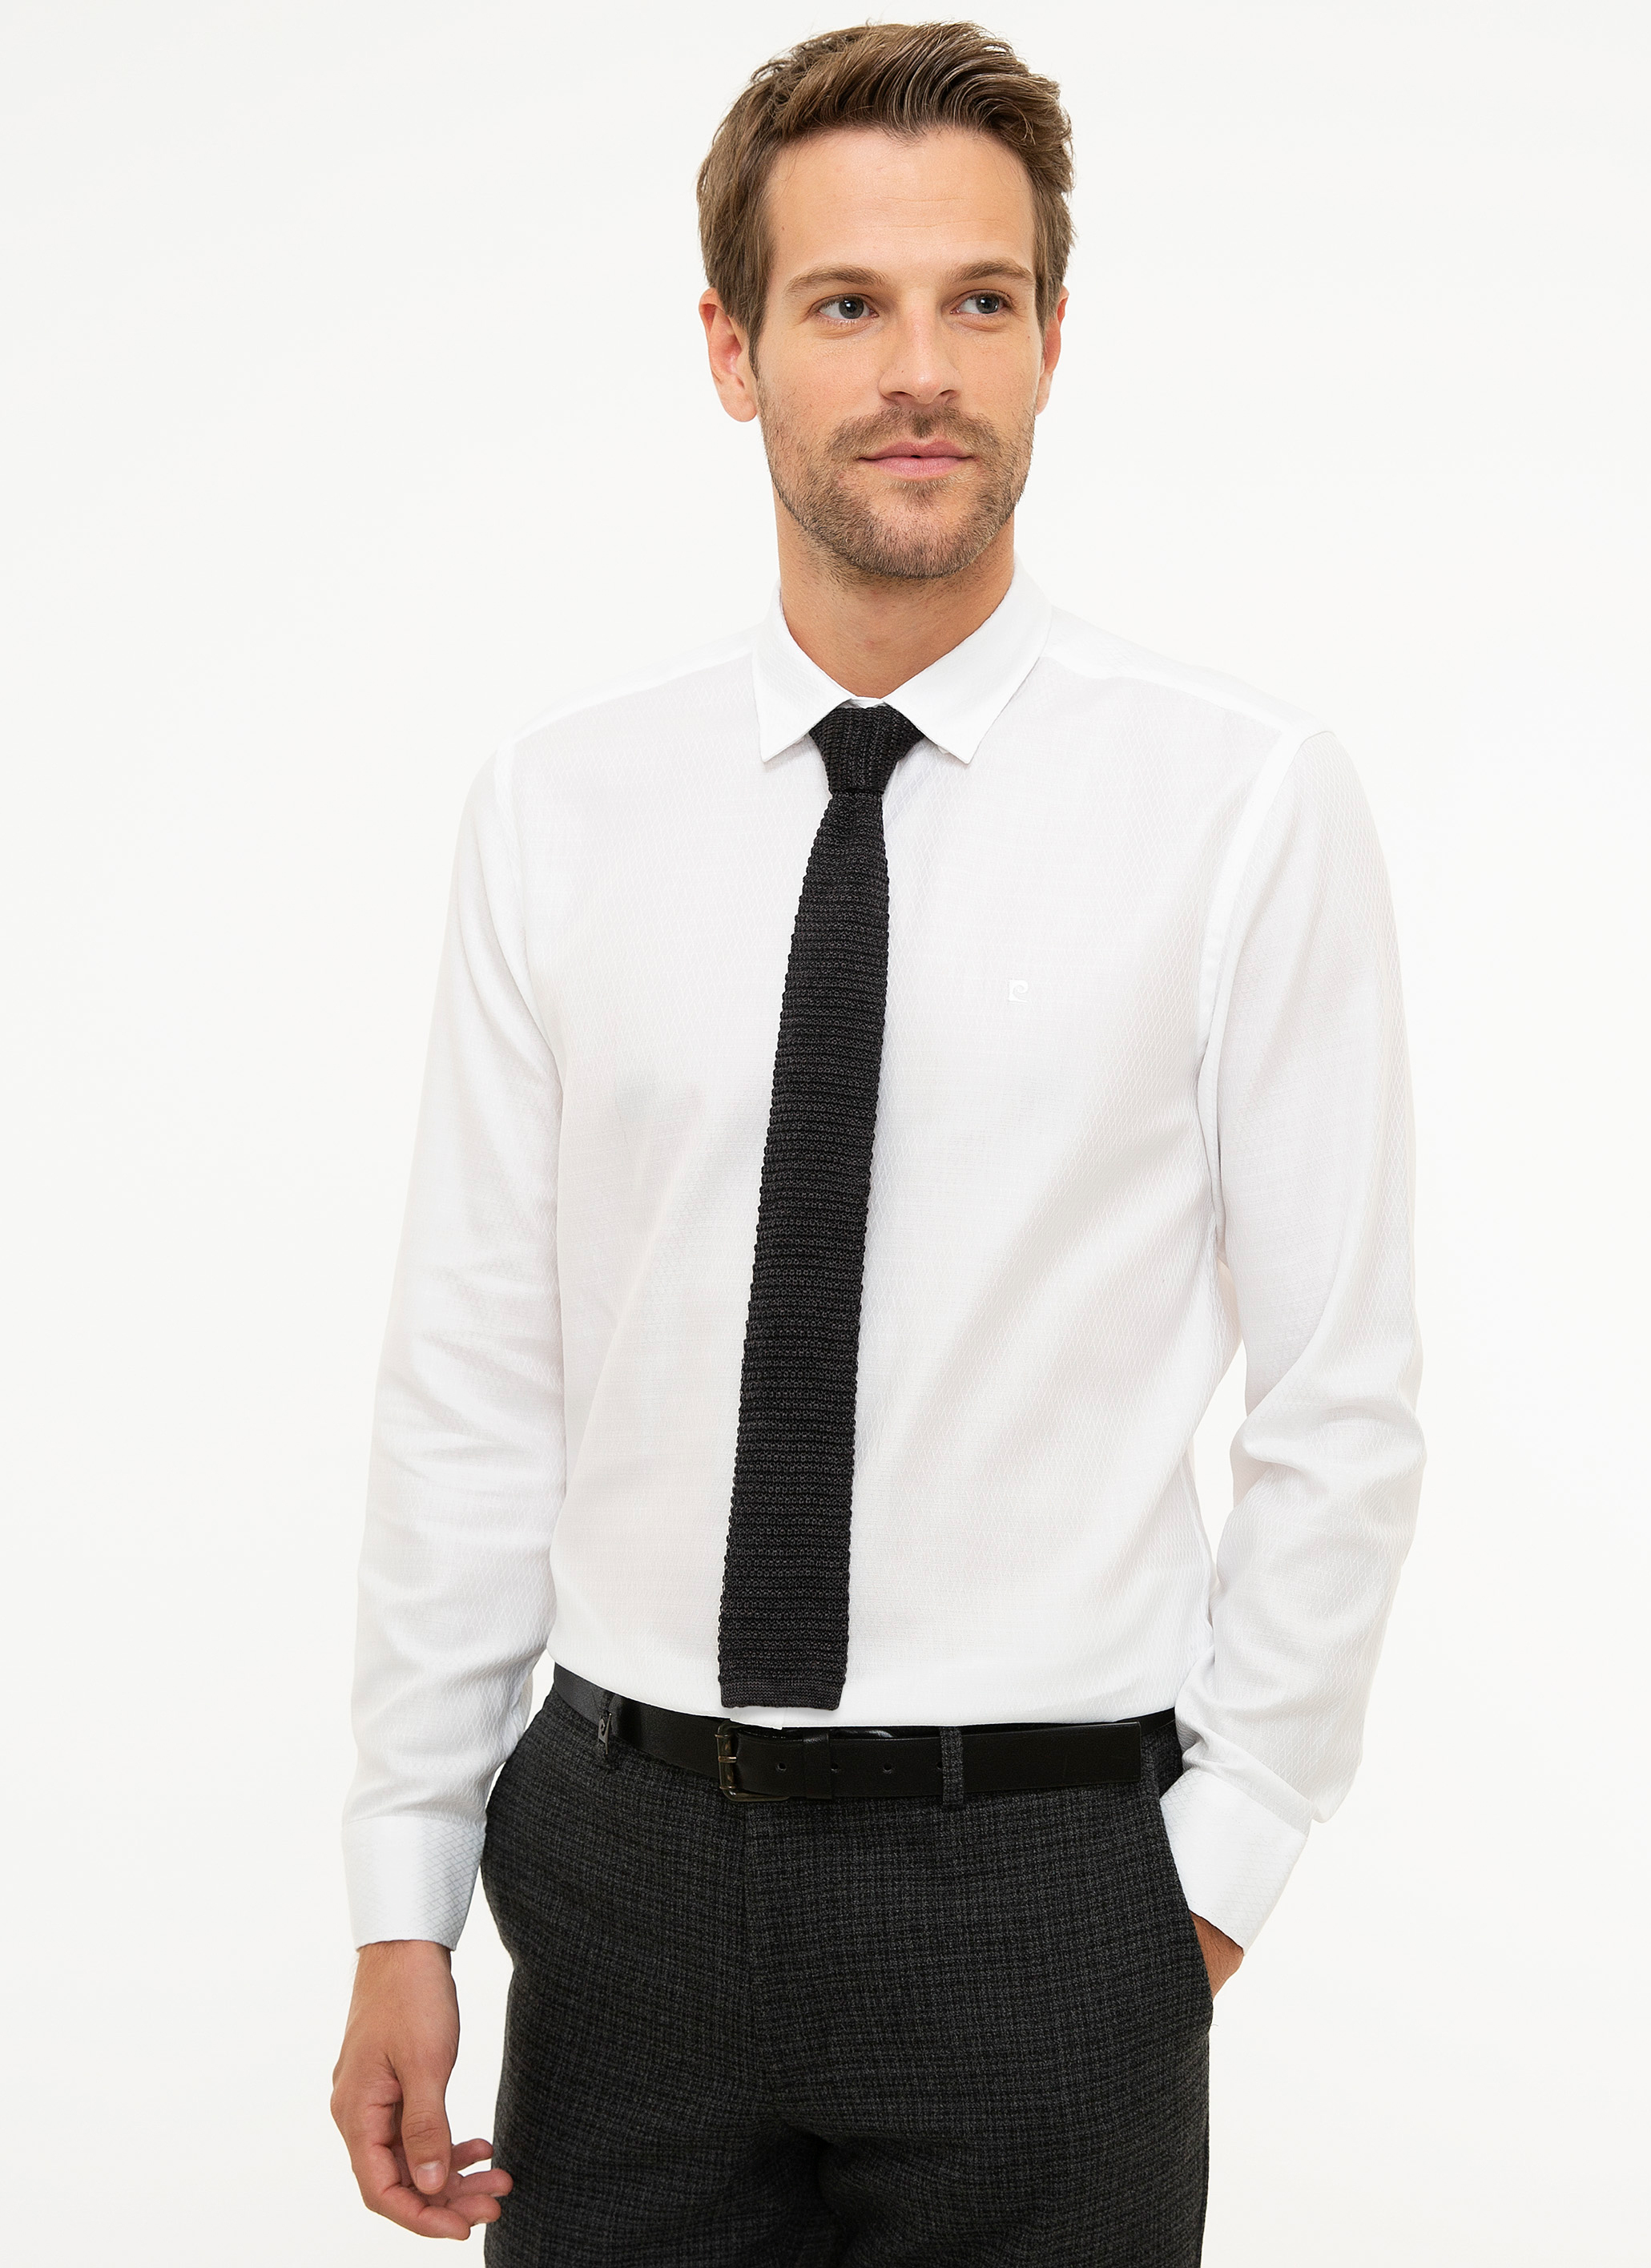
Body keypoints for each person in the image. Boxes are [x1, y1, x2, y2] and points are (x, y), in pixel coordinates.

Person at [330, 21, 1424, 2263]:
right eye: (846, 303)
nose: (920, 369)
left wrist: (1210, 1881)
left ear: (1050, 341)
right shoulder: (560, 809)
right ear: (732, 350)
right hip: (620, 1875)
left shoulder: (1240, 803)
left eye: (978, 300)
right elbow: (474, 1379)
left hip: (1042, 1887)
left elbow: (1342, 1396)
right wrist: (403, 1887)